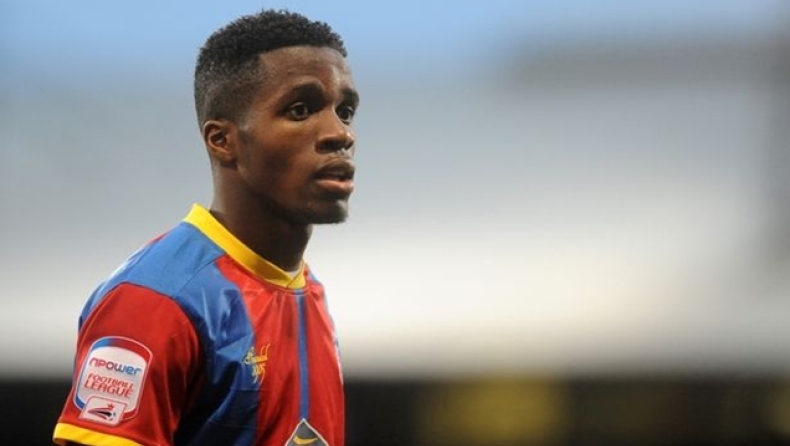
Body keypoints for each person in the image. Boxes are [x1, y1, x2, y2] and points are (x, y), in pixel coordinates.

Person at [53, 8, 359, 446]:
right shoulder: (154, 301)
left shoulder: (308, 291)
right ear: (222, 140)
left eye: (345, 111)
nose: (340, 134)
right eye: (300, 110)